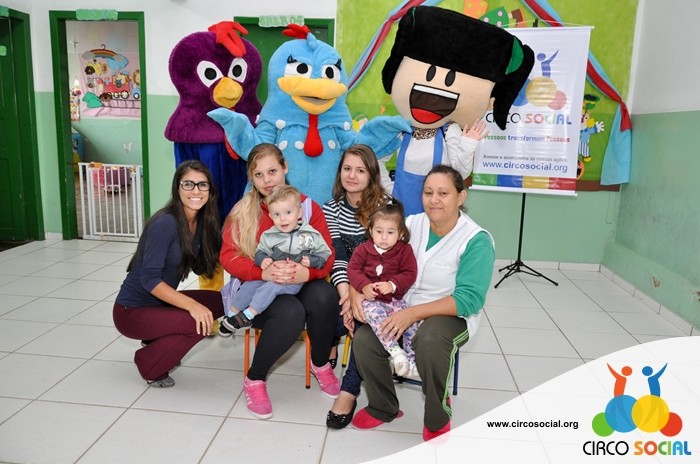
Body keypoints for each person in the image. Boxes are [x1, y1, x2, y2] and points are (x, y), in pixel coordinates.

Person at [351, 164, 495, 442]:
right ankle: (383, 407)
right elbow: (368, 258)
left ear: (461, 197)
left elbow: (469, 300)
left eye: (443, 193)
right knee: (365, 340)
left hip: (451, 315)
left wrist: (414, 314)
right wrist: (358, 291)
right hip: (400, 306)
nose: (434, 200)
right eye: (428, 192)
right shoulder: (410, 225)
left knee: (429, 339)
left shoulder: (476, 240)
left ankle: (438, 416)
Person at [220, 143, 340, 419]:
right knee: (291, 312)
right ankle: (255, 379)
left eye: (272, 171)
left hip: (300, 281)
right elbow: (228, 256)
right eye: (258, 174)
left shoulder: (307, 207)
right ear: (251, 178)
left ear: (285, 167)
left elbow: (328, 254)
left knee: (325, 296)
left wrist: (307, 273)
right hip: (260, 290)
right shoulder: (243, 210)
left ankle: (320, 363)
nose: (267, 180)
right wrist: (262, 272)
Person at [113, 160, 224, 388]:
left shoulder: (201, 221)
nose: (196, 191)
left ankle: (155, 340)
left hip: (160, 305)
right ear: (177, 188)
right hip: (131, 311)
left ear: (210, 191)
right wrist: (193, 306)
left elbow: (203, 267)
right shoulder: (165, 223)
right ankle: (149, 364)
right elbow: (150, 280)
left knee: (223, 300)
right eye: (188, 184)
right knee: (197, 322)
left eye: (202, 185)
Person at [322, 144, 394, 429]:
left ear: (372, 174)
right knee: (325, 303)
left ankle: (349, 390)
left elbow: (382, 260)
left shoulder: (386, 207)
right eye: (347, 168)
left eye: (360, 170)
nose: (352, 176)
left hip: (378, 280)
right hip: (344, 280)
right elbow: (338, 255)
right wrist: (346, 294)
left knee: (366, 318)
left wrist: (357, 294)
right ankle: (330, 343)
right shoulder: (331, 208)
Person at [218, 185, 332, 334]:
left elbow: (325, 253)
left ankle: (248, 315)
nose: (283, 218)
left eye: (288, 213)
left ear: (299, 213)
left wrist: (312, 262)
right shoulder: (270, 235)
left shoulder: (309, 234)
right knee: (250, 285)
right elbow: (261, 252)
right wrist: (262, 260)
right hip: (271, 273)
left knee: (270, 288)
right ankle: (232, 313)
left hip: (291, 279)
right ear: (271, 216)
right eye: (277, 214)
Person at [347, 204, 418, 377]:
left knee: (411, 325)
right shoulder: (363, 249)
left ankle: (411, 360)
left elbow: (410, 273)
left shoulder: (404, 250)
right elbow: (353, 269)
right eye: (379, 231)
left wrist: (392, 284)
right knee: (376, 318)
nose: (384, 237)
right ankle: (395, 352)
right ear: (371, 231)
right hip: (371, 301)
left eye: (390, 232)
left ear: (400, 233)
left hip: (396, 300)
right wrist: (364, 285)